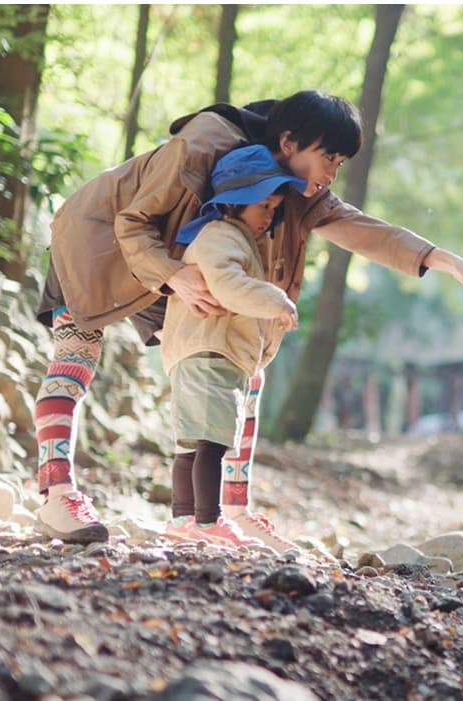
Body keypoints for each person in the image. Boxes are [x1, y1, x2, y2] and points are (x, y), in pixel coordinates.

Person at [33, 90, 463, 547]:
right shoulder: (203, 144)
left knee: (241, 364)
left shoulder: (291, 190)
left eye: (340, 164)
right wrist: (174, 276)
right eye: (329, 158)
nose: (332, 172)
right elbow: (133, 221)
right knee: (77, 354)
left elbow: (364, 230)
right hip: (97, 239)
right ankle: (57, 494)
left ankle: (231, 510)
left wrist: (446, 261)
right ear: (289, 143)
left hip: (179, 261)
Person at [160, 144, 302, 550]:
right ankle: (208, 521)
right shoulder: (221, 237)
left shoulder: (223, 238)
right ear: (237, 202)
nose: (269, 217)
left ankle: (183, 518)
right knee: (212, 441)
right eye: (265, 207)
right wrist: (277, 300)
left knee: (190, 442)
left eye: (275, 208)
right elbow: (227, 286)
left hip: (197, 351)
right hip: (212, 351)